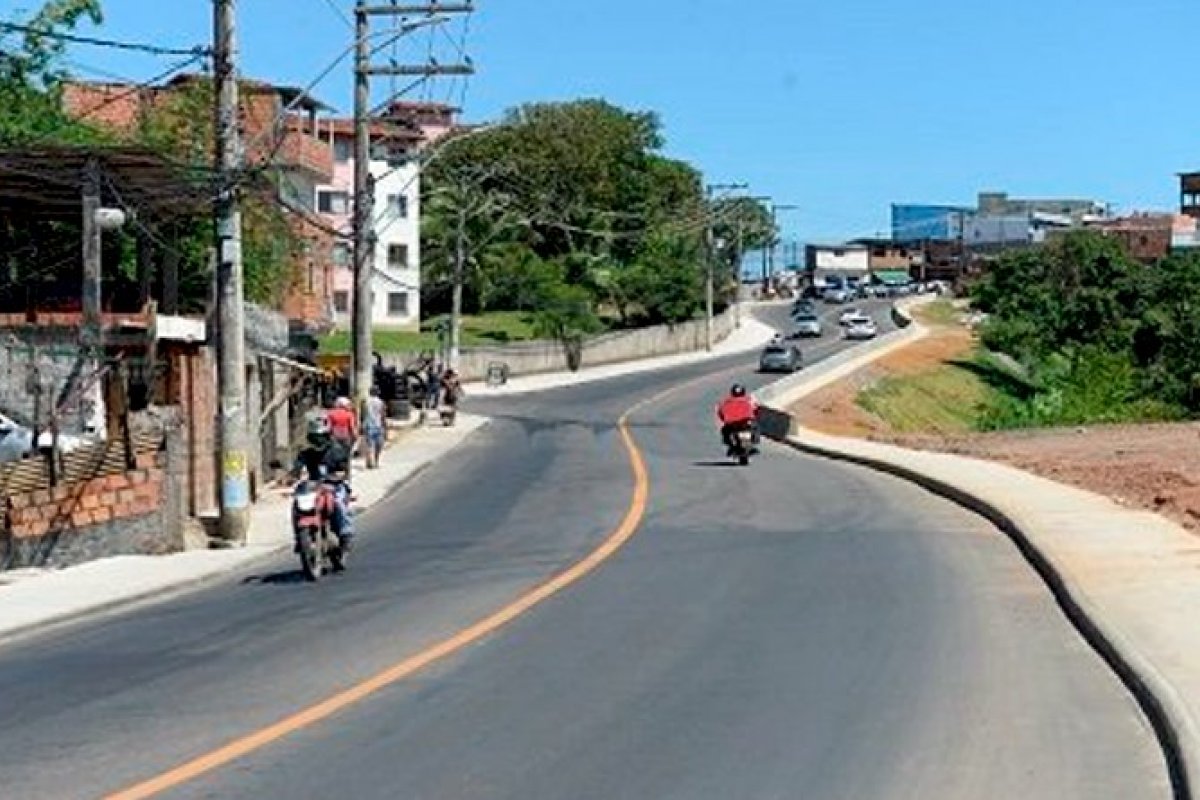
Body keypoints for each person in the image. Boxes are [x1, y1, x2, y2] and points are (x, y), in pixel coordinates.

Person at [716, 383, 759, 455]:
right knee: (755, 427)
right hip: (742, 423)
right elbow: (756, 408)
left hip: (736, 423)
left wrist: (725, 420)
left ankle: (732, 446)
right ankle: (735, 446)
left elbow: (720, 412)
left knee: (725, 431)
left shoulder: (726, 401)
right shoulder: (749, 399)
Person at [326, 396, 358, 462]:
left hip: (335, 437)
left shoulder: (331, 413)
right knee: (347, 453)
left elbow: (329, 427)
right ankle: (346, 467)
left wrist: (328, 435)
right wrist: (355, 436)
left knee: (334, 452)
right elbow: (351, 427)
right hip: (346, 437)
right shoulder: (349, 414)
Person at [363, 386, 387, 469]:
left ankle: (369, 462)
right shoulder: (381, 402)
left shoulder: (365, 402)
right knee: (378, 445)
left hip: (368, 425)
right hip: (378, 425)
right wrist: (385, 426)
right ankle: (376, 461)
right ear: (378, 392)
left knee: (369, 445)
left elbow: (362, 414)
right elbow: (383, 415)